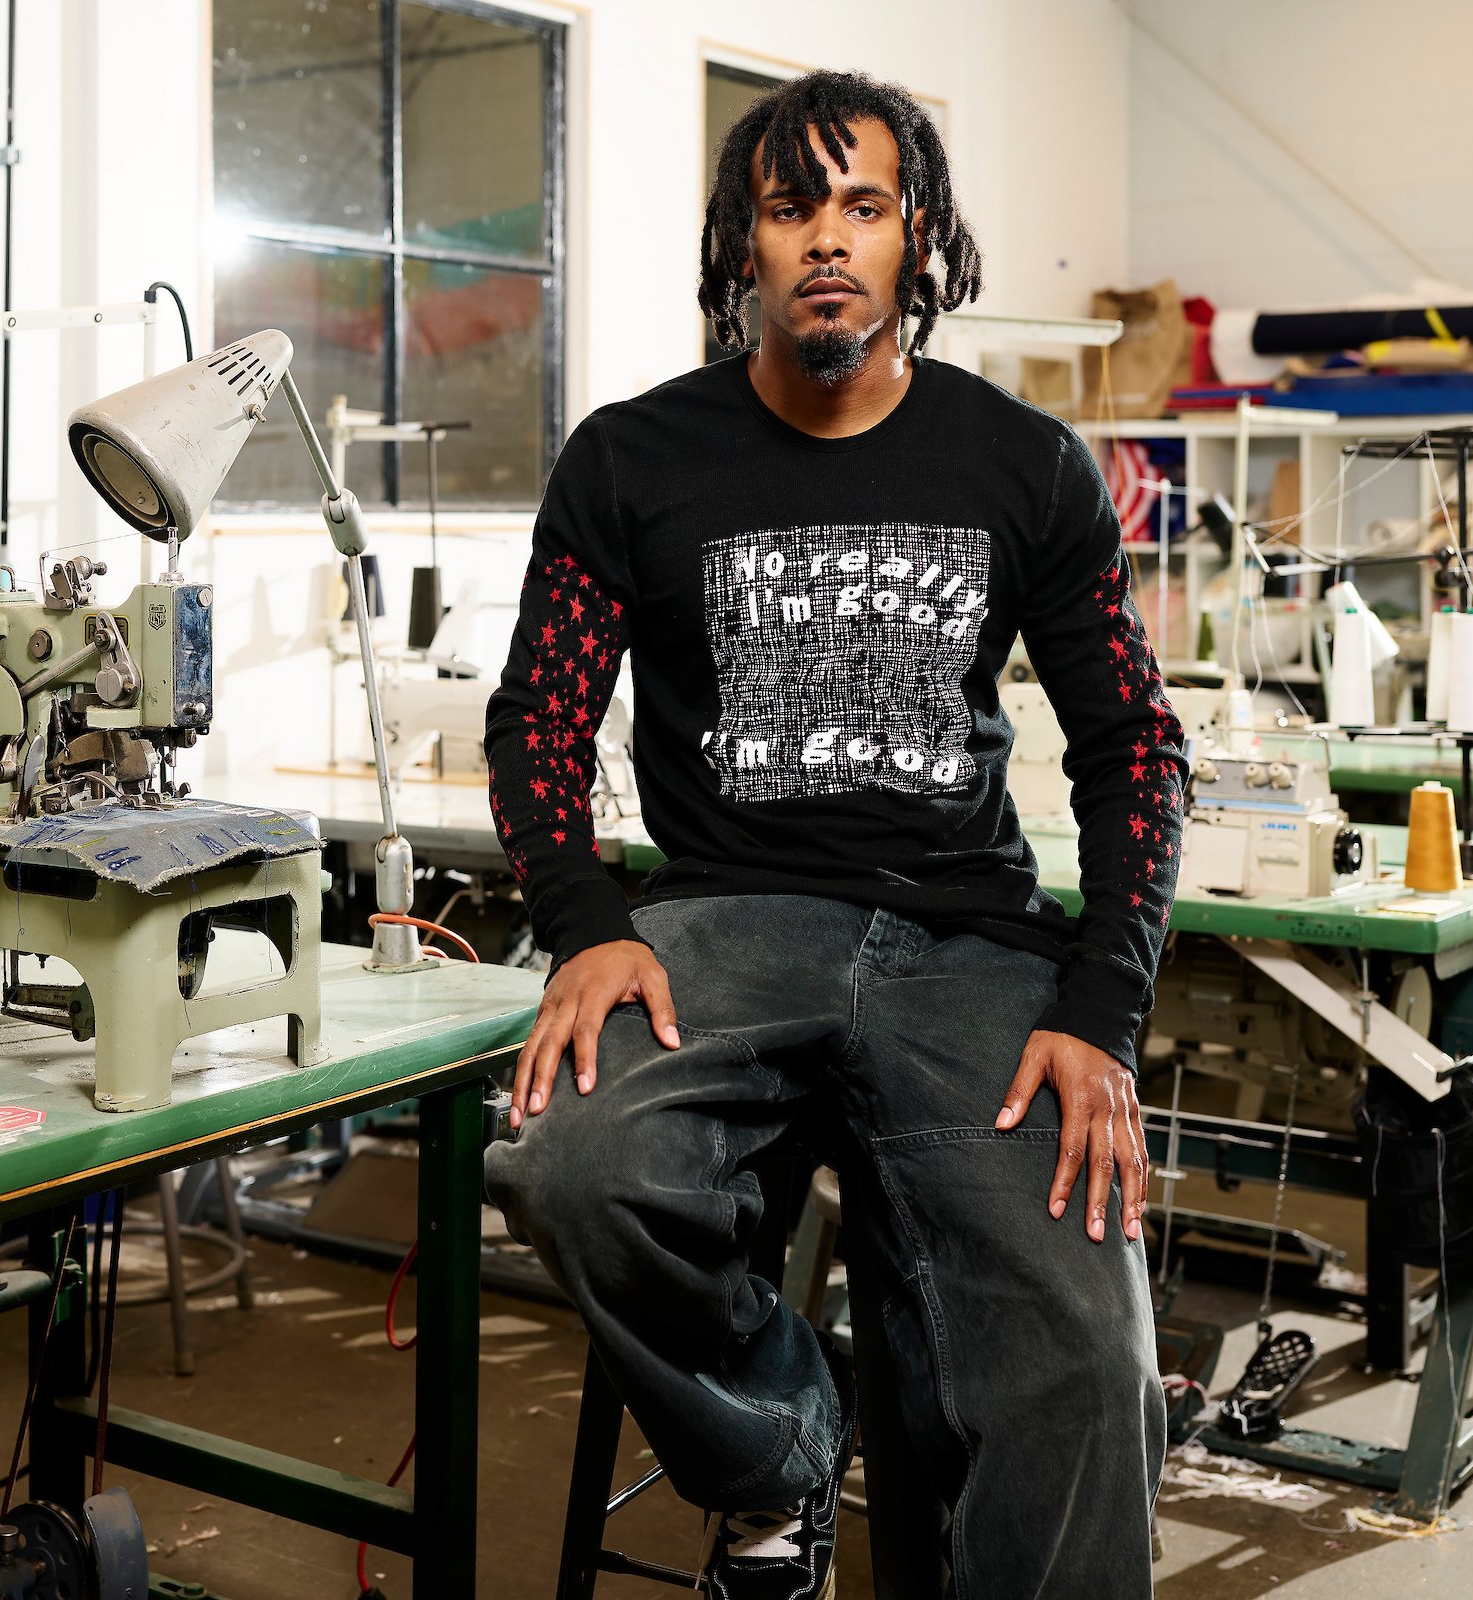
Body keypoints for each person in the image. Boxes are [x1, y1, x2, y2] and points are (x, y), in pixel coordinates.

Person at [480, 68, 1185, 1600]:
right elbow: (537, 721)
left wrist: (1101, 1014)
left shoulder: (1025, 464)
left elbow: (1134, 748)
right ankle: (783, 1456)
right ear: (743, 240)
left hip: (965, 943)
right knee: (568, 1168)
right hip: (721, 926)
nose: (826, 238)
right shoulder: (630, 459)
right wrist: (583, 925)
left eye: (863, 205)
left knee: (1089, 1359)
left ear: (913, 235)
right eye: (791, 206)